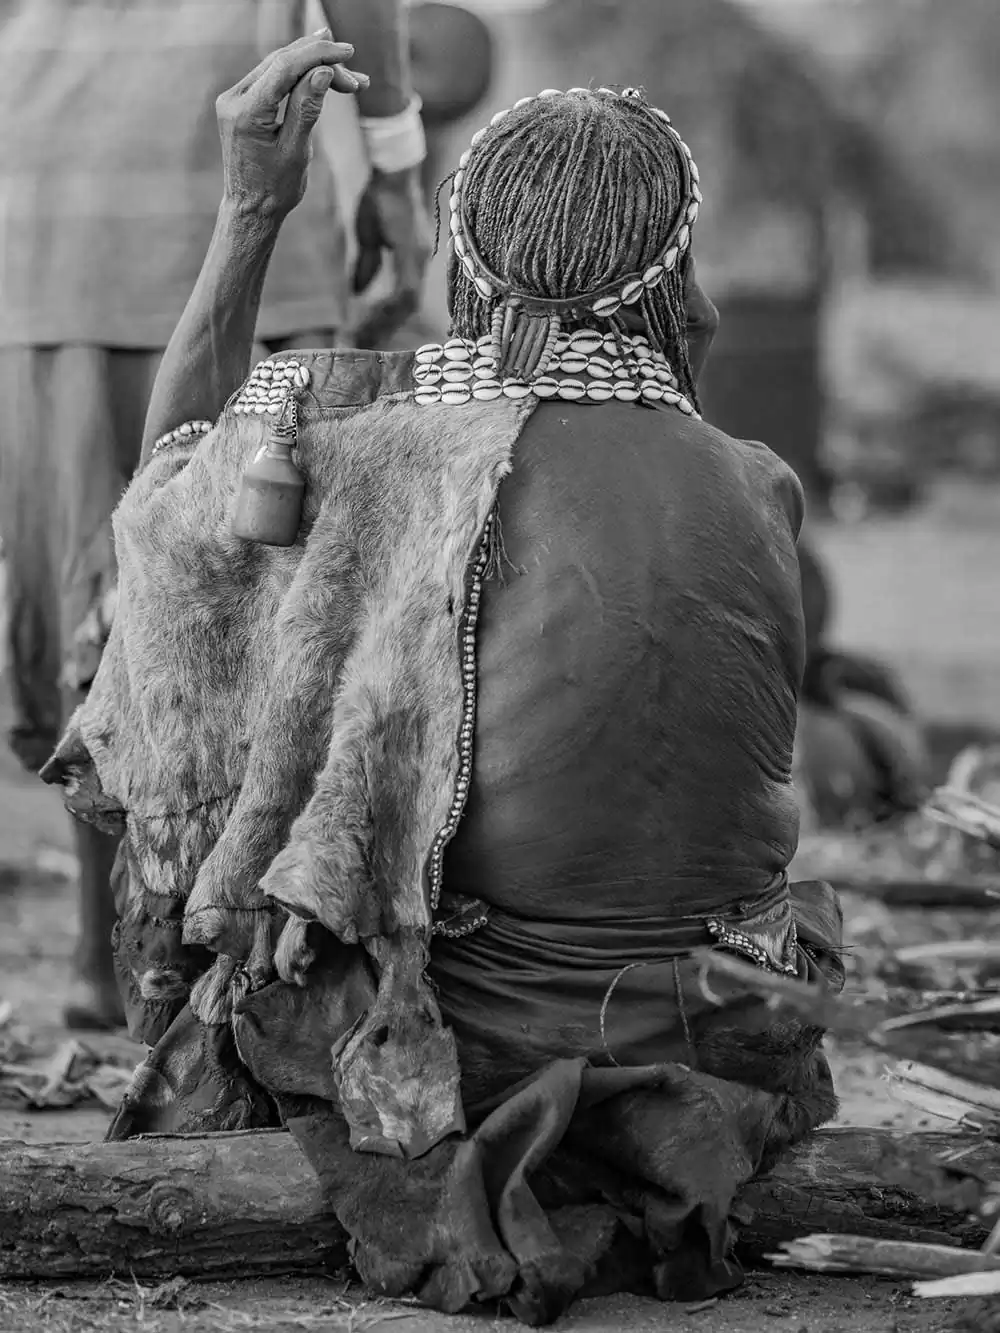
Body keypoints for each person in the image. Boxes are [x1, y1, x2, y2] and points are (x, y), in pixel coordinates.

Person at [43, 36, 844, 1323]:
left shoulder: (380, 455)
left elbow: (164, 547)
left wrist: (255, 206)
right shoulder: (759, 479)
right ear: (676, 284)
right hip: (720, 1026)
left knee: (224, 725)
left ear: (464, 265)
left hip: (458, 1051)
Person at [0, 0, 432, 1030]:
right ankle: (239, 944)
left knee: (93, 566)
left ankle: (107, 951)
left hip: (45, 183)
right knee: (279, 577)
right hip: (235, 154)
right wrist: (396, 166)